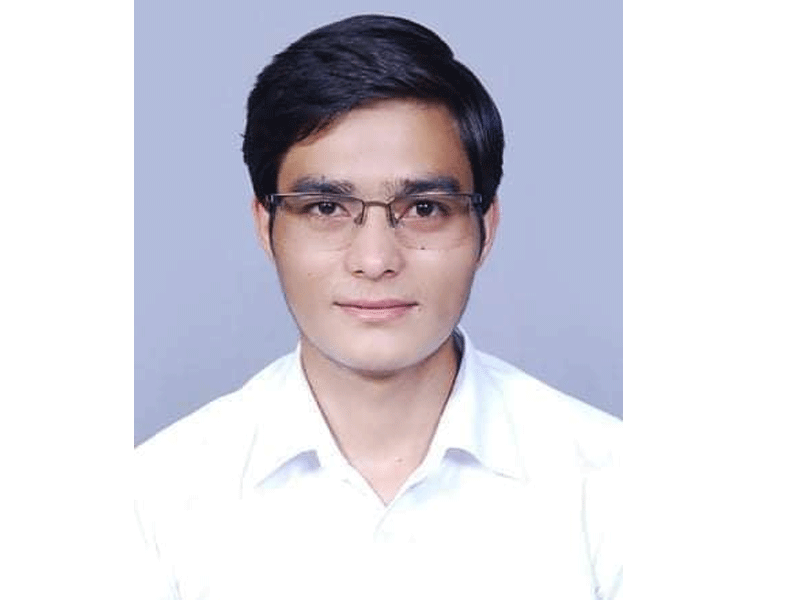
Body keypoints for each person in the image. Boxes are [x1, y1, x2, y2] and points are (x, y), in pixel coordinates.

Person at [135, 14, 621, 599]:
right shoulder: (154, 501)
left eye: (424, 209)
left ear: (485, 228)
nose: (374, 260)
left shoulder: (617, 487)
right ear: (266, 227)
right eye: (325, 208)